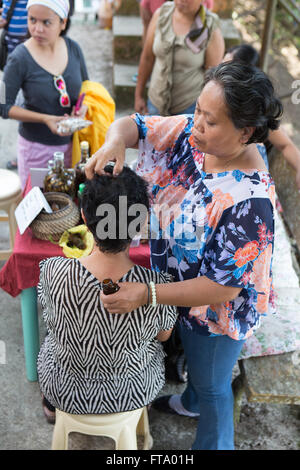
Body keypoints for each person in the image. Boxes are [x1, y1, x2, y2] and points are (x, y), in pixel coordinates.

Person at [85, 62, 282, 450]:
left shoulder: (249, 203)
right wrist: (112, 141)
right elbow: (137, 126)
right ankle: (190, 400)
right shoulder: (197, 137)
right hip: (176, 284)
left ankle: (213, 436)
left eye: (210, 121)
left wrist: (146, 295)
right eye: (198, 111)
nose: (196, 125)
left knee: (214, 385)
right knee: (197, 367)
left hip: (212, 311)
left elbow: (220, 289)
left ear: (245, 131)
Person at [37, 164, 178, 423]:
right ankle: (133, 416)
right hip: (132, 392)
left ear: (83, 218)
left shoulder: (51, 270)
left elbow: (51, 318)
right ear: (142, 223)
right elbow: (163, 335)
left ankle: (51, 409)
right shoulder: (157, 285)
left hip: (63, 390)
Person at [0, 0, 89, 189]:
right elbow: (3, 106)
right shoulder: (19, 57)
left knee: (68, 209)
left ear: (63, 23)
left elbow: (87, 90)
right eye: (32, 20)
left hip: (71, 147)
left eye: (46, 22)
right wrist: (45, 119)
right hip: (35, 150)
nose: (37, 29)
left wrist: (83, 108)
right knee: (39, 210)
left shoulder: (74, 49)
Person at [223, 43, 300, 191]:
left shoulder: (255, 108)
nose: (221, 72)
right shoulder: (214, 89)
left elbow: (286, 144)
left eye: (228, 67)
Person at [134, 0, 224, 115]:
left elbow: (212, 77)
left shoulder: (210, 26)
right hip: (155, 103)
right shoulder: (162, 14)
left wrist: (204, 112)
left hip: (189, 108)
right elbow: (147, 57)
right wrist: (138, 96)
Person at [0, 0, 28, 170]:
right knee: (9, 99)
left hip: (21, 60)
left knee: (23, 104)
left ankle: (21, 155)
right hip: (11, 60)